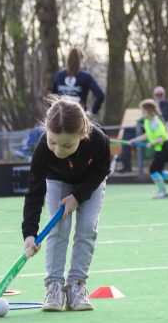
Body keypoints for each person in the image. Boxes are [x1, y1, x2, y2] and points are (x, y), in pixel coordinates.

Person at [23, 97, 111, 312]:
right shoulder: (43, 149)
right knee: (58, 228)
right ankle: (54, 285)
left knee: (87, 228)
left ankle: (76, 286)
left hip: (90, 182)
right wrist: (29, 234)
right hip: (57, 180)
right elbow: (35, 192)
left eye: (67, 145)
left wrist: (78, 196)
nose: (59, 151)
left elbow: (102, 169)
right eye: (53, 142)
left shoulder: (98, 140)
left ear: (82, 134)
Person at [127, 99, 168, 199]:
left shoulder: (156, 122)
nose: (142, 113)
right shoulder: (147, 121)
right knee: (159, 172)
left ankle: (163, 192)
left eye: (143, 111)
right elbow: (147, 135)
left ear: (148, 111)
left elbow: (161, 137)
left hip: (164, 148)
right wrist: (134, 140)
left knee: (153, 170)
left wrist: (152, 143)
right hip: (160, 149)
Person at [51, 48, 105, 117]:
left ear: (68, 59)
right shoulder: (86, 77)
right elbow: (100, 95)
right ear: (80, 60)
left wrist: (53, 113)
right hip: (78, 118)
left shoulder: (59, 75)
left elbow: (51, 97)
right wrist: (93, 112)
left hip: (60, 117)